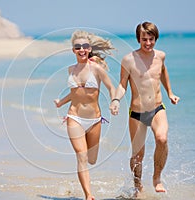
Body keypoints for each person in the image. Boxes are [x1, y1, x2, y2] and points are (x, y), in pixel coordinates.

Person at [110, 22, 180, 196]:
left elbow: (163, 73)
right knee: (137, 155)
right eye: (144, 40)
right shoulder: (128, 59)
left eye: (151, 39)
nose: (148, 43)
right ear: (138, 39)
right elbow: (122, 84)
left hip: (157, 108)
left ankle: (157, 178)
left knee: (162, 139)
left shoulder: (161, 56)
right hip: (136, 113)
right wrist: (116, 99)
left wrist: (170, 93)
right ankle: (137, 185)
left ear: (155, 38)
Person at [54, 30, 115, 200]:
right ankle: (89, 195)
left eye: (85, 46)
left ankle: (85, 184)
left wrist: (115, 101)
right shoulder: (70, 70)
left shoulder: (97, 68)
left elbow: (111, 87)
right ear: (73, 50)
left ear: (89, 49)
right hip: (74, 117)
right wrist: (61, 103)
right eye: (77, 47)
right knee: (81, 156)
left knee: (92, 159)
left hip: (95, 120)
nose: (81, 49)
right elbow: (75, 93)